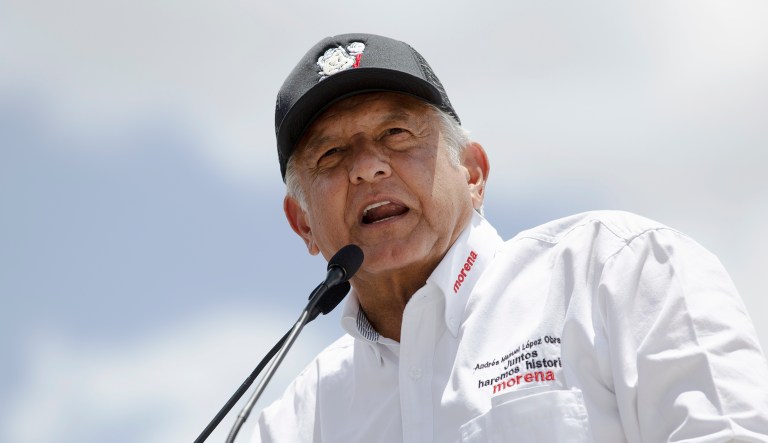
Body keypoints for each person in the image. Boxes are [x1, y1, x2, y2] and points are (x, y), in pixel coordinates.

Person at [254, 33, 768, 442]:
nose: (367, 167)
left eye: (397, 134)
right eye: (331, 155)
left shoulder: (620, 271)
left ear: (473, 173)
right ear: (303, 224)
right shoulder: (300, 420)